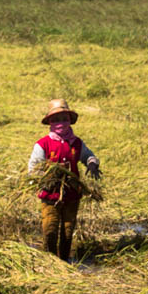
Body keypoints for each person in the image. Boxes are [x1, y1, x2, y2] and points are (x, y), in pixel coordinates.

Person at [28, 99, 100, 263]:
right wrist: (51, 170)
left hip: (72, 195)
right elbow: (33, 169)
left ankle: (64, 262)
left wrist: (93, 163)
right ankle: (50, 262)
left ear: (69, 121)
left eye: (64, 119)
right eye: (56, 119)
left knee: (68, 231)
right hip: (49, 195)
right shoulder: (42, 144)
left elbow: (89, 156)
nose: (61, 123)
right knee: (50, 230)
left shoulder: (76, 143)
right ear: (50, 122)